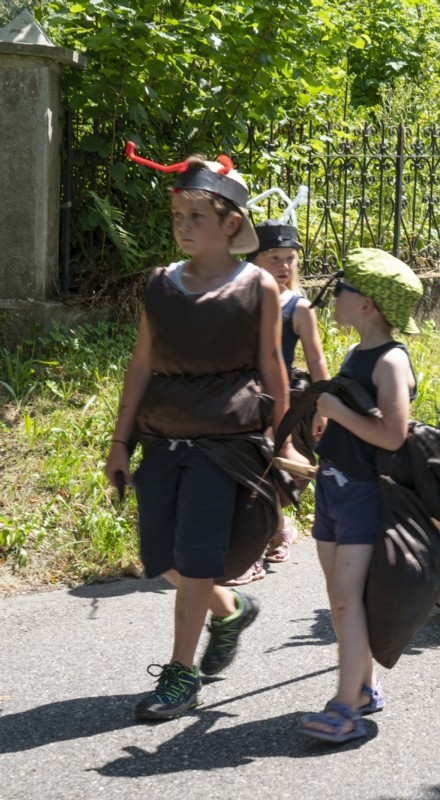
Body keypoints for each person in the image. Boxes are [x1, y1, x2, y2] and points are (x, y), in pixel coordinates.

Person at [104, 156, 296, 720]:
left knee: (194, 559)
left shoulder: (257, 285)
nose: (183, 226)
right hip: (162, 437)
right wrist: (119, 442)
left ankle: (180, 674)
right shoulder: (160, 285)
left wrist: (285, 441)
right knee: (159, 555)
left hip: (223, 445)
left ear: (231, 224)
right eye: (177, 217)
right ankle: (230, 608)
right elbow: (141, 365)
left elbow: (273, 366)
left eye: (196, 217)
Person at [298, 249, 423, 744]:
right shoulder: (356, 353)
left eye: (342, 290)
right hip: (333, 487)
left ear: (367, 304)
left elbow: (393, 435)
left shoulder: (391, 361)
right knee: (341, 600)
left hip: (364, 495)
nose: (334, 297)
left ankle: (345, 709)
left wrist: (335, 410)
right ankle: (364, 688)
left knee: (347, 600)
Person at [251, 219, 330, 566]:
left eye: (290, 258)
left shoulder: (297, 307)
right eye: (274, 258)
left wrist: (324, 406)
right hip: (240, 395)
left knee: (266, 463)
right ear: (253, 259)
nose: (284, 266)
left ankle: (266, 533)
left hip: (279, 400)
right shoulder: (238, 299)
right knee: (247, 464)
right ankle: (278, 527)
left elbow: (316, 359)